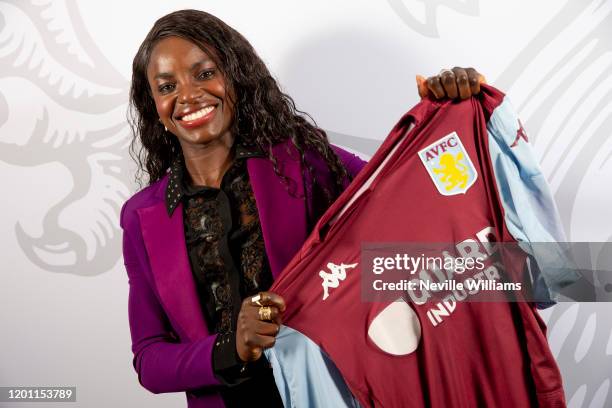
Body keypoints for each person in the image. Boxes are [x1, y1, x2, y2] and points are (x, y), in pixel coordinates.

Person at [121, 9, 485, 408]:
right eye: (167, 86)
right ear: (152, 103)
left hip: (338, 394)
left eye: (205, 73)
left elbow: (403, 195)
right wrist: (232, 347)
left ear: (235, 75)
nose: (188, 95)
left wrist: (445, 114)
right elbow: (149, 359)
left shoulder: (303, 160)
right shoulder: (141, 218)